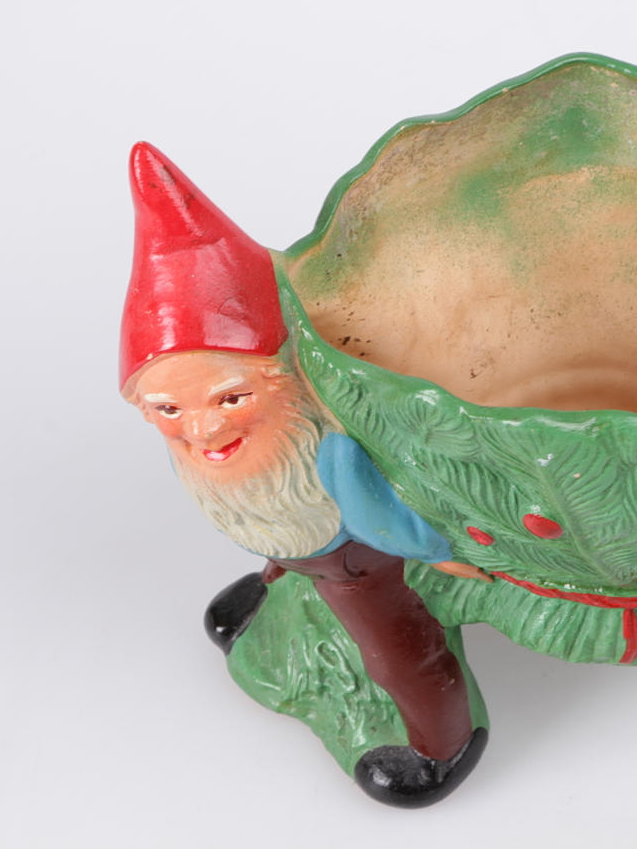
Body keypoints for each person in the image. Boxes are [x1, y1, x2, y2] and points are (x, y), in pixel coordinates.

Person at [119, 142, 486, 808]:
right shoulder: (208, 445)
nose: (203, 430)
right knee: (276, 530)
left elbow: (384, 522)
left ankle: (444, 743)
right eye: (168, 410)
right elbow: (261, 504)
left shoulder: (328, 451)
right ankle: (278, 582)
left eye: (231, 399)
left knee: (394, 648)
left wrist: (441, 552)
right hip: (294, 545)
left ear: (282, 380)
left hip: (353, 560)